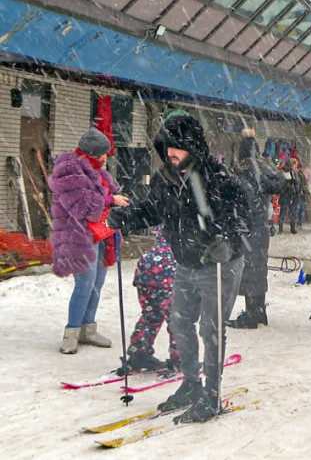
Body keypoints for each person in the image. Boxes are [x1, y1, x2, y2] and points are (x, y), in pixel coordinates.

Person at [109, 112, 250, 423]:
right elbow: (153, 210)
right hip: (186, 261)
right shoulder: (165, 179)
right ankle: (190, 383)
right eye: (167, 148)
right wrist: (129, 217)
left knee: (211, 329)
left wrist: (226, 240)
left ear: (193, 147)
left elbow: (242, 218)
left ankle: (211, 396)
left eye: (177, 148)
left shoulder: (220, 179)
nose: (170, 154)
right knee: (180, 323)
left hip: (219, 264)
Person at [49, 128, 129, 354]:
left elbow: (104, 199)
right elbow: (82, 207)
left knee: (97, 283)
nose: (105, 159)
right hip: (79, 236)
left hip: (102, 234)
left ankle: (88, 328)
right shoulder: (69, 172)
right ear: (89, 154)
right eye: (101, 155)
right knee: (84, 284)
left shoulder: (99, 172)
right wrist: (110, 199)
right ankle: (71, 332)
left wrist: (117, 201)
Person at [227, 130, 285, 329]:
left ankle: (251, 314)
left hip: (246, 226)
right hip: (261, 226)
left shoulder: (241, 170)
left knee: (249, 270)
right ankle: (259, 310)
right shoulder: (263, 169)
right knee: (259, 268)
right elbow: (280, 183)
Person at [123, 229, 179, 372]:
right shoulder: (186, 226)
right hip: (168, 273)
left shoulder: (167, 217)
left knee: (150, 315)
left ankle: (139, 353)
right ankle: (181, 359)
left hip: (146, 268)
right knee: (178, 320)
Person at [278, 158, 302, 234]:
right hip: (286, 194)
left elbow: (298, 183)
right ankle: (281, 228)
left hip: (294, 194)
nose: (295, 167)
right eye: (294, 165)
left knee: (293, 212)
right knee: (284, 211)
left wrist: (298, 190)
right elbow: (281, 183)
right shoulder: (284, 172)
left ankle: (292, 227)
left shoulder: (295, 173)